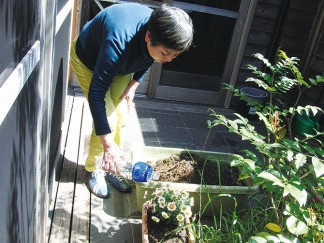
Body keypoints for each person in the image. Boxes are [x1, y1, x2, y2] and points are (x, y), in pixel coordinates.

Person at [70, 2, 194, 198]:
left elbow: (149, 57)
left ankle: (113, 166)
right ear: (148, 36)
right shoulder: (118, 39)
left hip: (120, 66)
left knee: (121, 115)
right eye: (166, 53)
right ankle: (94, 168)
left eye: (175, 55)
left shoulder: (157, 31)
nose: (169, 60)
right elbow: (96, 94)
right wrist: (108, 146)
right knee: (108, 119)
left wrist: (134, 84)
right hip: (88, 59)